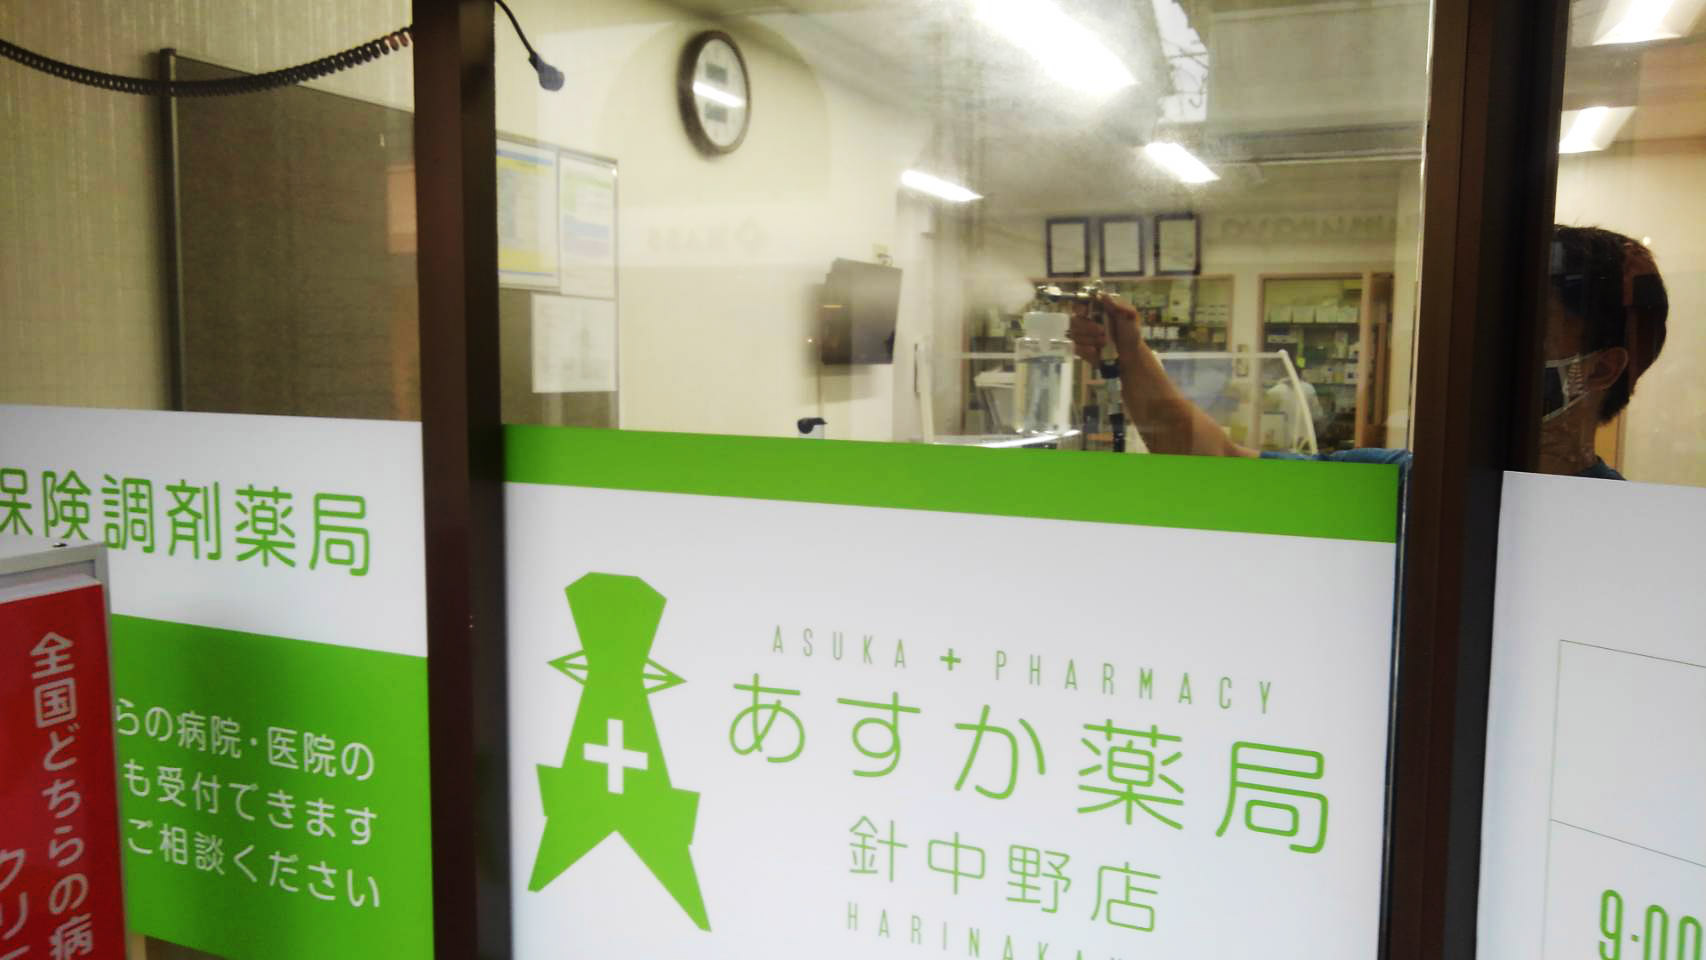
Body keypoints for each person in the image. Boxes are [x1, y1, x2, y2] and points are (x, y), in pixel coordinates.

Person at [1066, 225, 1670, 480]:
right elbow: (1211, 460)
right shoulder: (1407, 484)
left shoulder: (1620, 532)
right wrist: (1130, 352)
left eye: (1522, 330)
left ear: (1600, 368)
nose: (1480, 354)